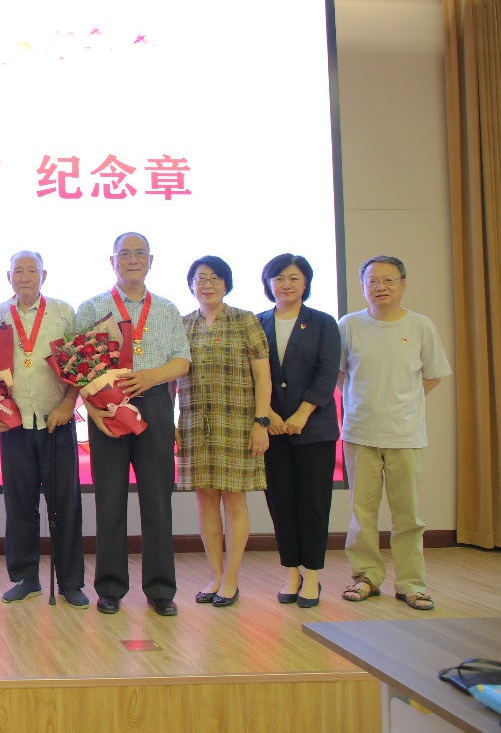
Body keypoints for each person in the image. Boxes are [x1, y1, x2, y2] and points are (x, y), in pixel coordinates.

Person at [75, 232, 190, 617]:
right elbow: (78, 365)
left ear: (151, 261)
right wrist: (94, 410)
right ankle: (110, 588)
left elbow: (182, 361)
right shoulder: (92, 307)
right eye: (125, 254)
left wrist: (151, 377)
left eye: (140, 253)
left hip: (154, 404)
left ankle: (161, 589)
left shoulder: (168, 309)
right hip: (107, 407)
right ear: (113, 262)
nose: (133, 259)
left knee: (157, 499)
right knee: (109, 499)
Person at [338, 255, 451, 611]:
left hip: (405, 435)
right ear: (363, 287)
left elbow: (433, 375)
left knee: (408, 517)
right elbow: (339, 376)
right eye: (372, 281)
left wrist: (402, 404)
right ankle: (366, 577)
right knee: (362, 515)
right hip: (360, 433)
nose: (380, 287)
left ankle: (412, 584)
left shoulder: (420, 326)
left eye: (388, 280)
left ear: (403, 284)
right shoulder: (349, 325)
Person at [0, 250, 87, 607]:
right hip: (14, 425)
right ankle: (26, 578)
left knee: (65, 506)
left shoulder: (63, 312)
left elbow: (81, 363)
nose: (25, 276)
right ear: (8, 277)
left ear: (44, 275)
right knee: (19, 506)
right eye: (18, 271)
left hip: (56, 422)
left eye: (32, 270)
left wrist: (68, 404)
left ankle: (70, 583)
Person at [177, 256, 271, 609]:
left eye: (215, 278)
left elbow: (263, 377)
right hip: (195, 423)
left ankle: (231, 578)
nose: (208, 284)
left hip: (238, 423)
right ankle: (215, 575)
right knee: (205, 498)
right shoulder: (183, 325)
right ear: (191, 285)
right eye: (200, 278)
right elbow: (172, 380)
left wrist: (261, 423)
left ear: (227, 284)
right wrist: (172, 424)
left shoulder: (246, 320)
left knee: (234, 498)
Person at [257, 253, 341, 609]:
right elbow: (251, 375)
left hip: (314, 430)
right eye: (278, 278)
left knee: (314, 503)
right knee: (281, 502)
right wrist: (269, 415)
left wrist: (303, 413)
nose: (286, 284)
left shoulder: (323, 322)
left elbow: (327, 372)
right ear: (268, 284)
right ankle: (291, 572)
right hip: (273, 430)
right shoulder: (257, 323)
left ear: (305, 283)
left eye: (293, 278)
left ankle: (314, 575)